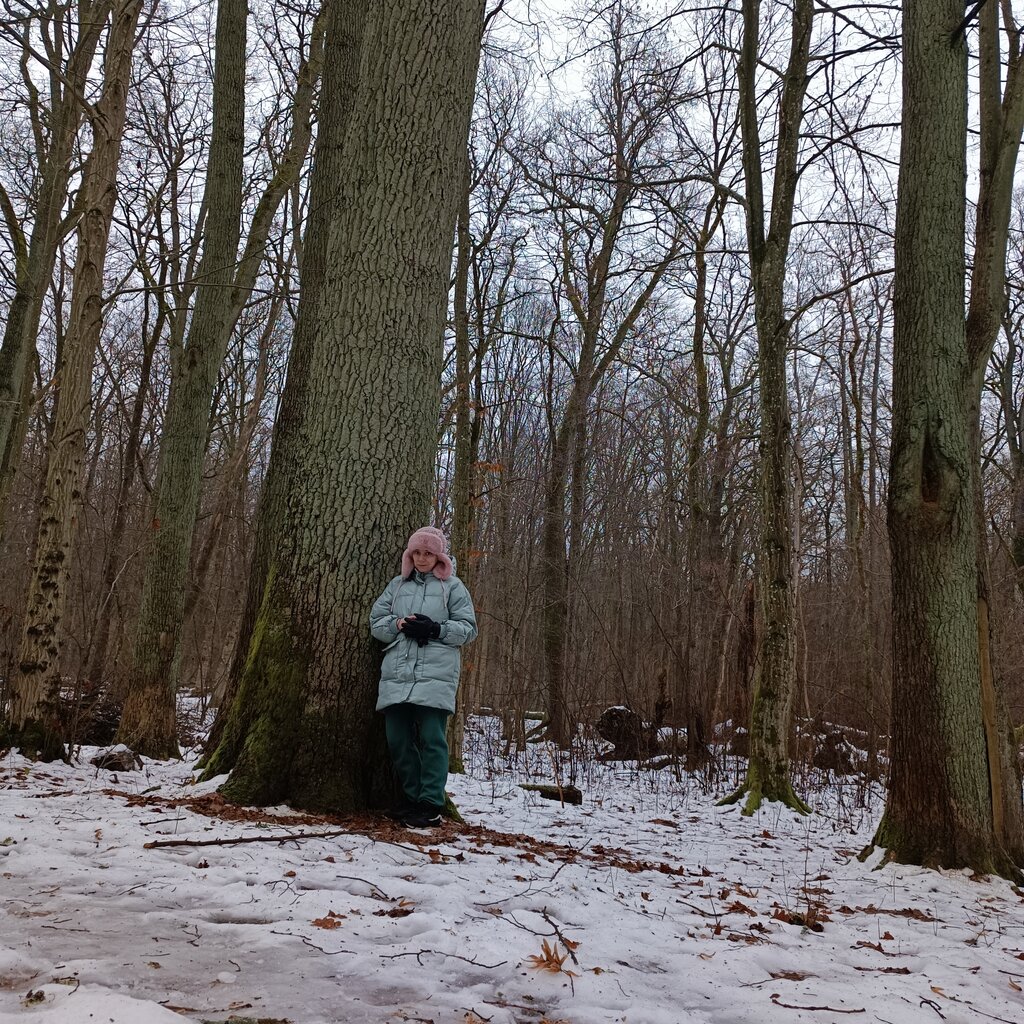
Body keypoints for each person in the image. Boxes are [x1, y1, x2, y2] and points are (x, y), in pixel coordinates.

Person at [370, 526, 478, 827]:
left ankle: (431, 803)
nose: (421, 558)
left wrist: (435, 629)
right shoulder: (397, 585)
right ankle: (412, 797)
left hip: (436, 674)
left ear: (438, 555)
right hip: (397, 673)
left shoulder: (453, 587)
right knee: (397, 739)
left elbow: (468, 629)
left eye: (427, 553)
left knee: (432, 738)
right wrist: (399, 623)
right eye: (416, 552)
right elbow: (376, 623)